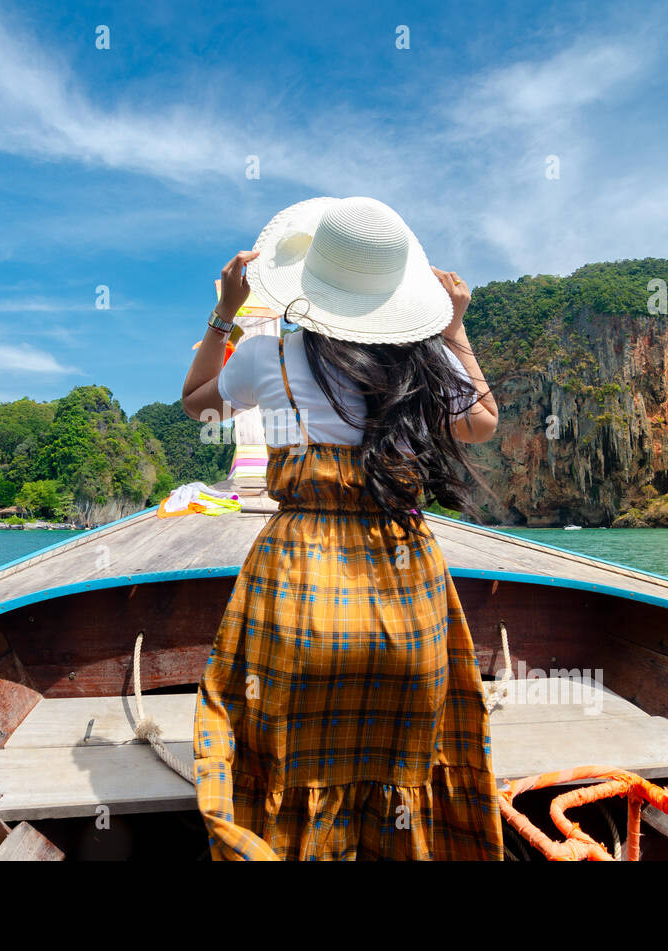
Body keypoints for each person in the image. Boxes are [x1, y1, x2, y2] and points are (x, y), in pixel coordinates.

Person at [180, 196, 504, 860]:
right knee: (405, 766)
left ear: (311, 281)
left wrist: (225, 313)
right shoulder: (425, 362)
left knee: (281, 750)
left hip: (301, 591)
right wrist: (455, 331)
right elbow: (484, 422)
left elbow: (194, 403)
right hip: (407, 598)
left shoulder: (265, 352)